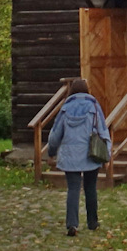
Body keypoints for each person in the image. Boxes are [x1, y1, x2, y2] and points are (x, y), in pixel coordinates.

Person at [43, 77, 111, 237]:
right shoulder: (94, 106)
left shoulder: (65, 109)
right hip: (90, 154)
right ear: (87, 90)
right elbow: (103, 130)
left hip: (70, 156)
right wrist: (107, 155)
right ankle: (92, 222)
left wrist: (51, 153)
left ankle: (72, 224)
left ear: (71, 91)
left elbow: (54, 136)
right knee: (90, 188)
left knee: (73, 189)